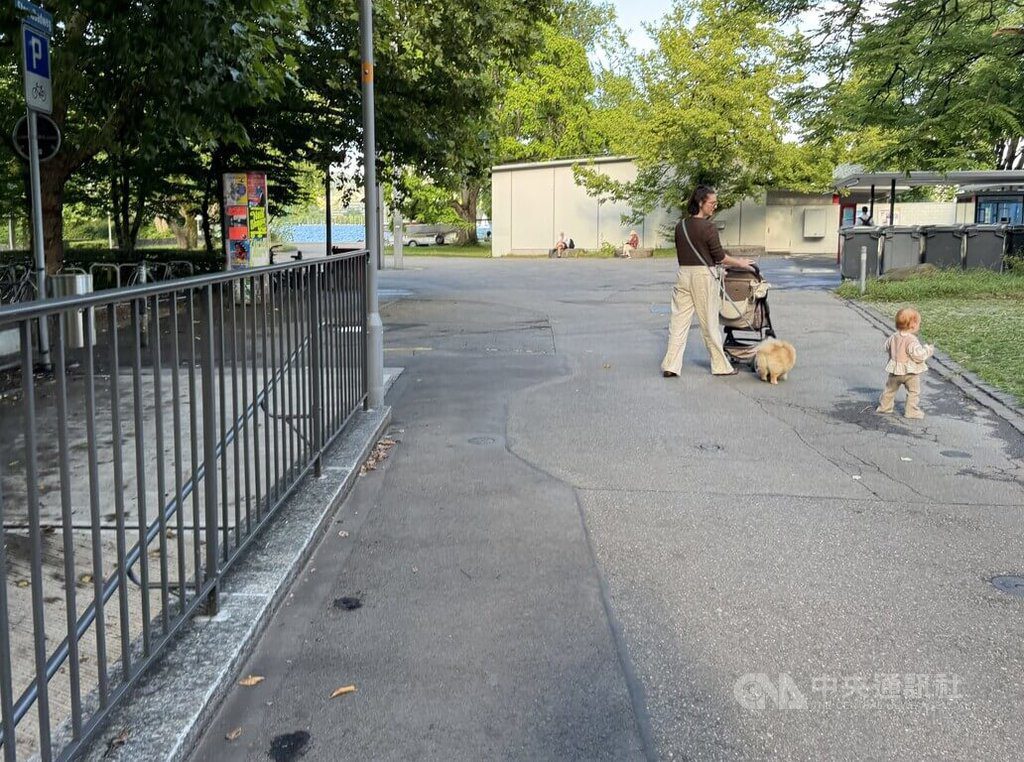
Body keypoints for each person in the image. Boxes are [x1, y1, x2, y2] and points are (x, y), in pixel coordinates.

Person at [661, 185, 755, 378]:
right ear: (700, 203)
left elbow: (692, 253)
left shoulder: (681, 226)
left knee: (678, 322)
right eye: (712, 203)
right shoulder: (708, 227)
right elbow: (720, 256)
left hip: (683, 275)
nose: (715, 206)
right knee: (709, 322)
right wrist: (741, 263)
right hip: (703, 277)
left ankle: (671, 365)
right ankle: (720, 365)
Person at [877, 307, 934, 419]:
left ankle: (885, 407)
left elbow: (886, 347)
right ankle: (911, 411)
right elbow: (918, 356)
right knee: (913, 392)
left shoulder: (893, 336)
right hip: (910, 373)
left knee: (889, 390)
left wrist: (894, 353)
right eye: (918, 324)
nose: (919, 326)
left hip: (895, 371)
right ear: (913, 325)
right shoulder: (912, 340)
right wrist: (928, 350)